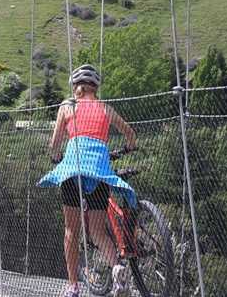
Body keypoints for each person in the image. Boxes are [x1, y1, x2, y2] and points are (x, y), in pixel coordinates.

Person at [38, 64, 138, 297]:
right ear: (95, 88)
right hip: (100, 172)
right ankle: (116, 268)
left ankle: (73, 287)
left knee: (71, 231)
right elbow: (131, 135)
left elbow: (54, 144)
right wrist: (129, 147)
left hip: (74, 171)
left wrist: (56, 157)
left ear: (76, 87)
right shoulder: (105, 108)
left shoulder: (67, 106)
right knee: (97, 231)